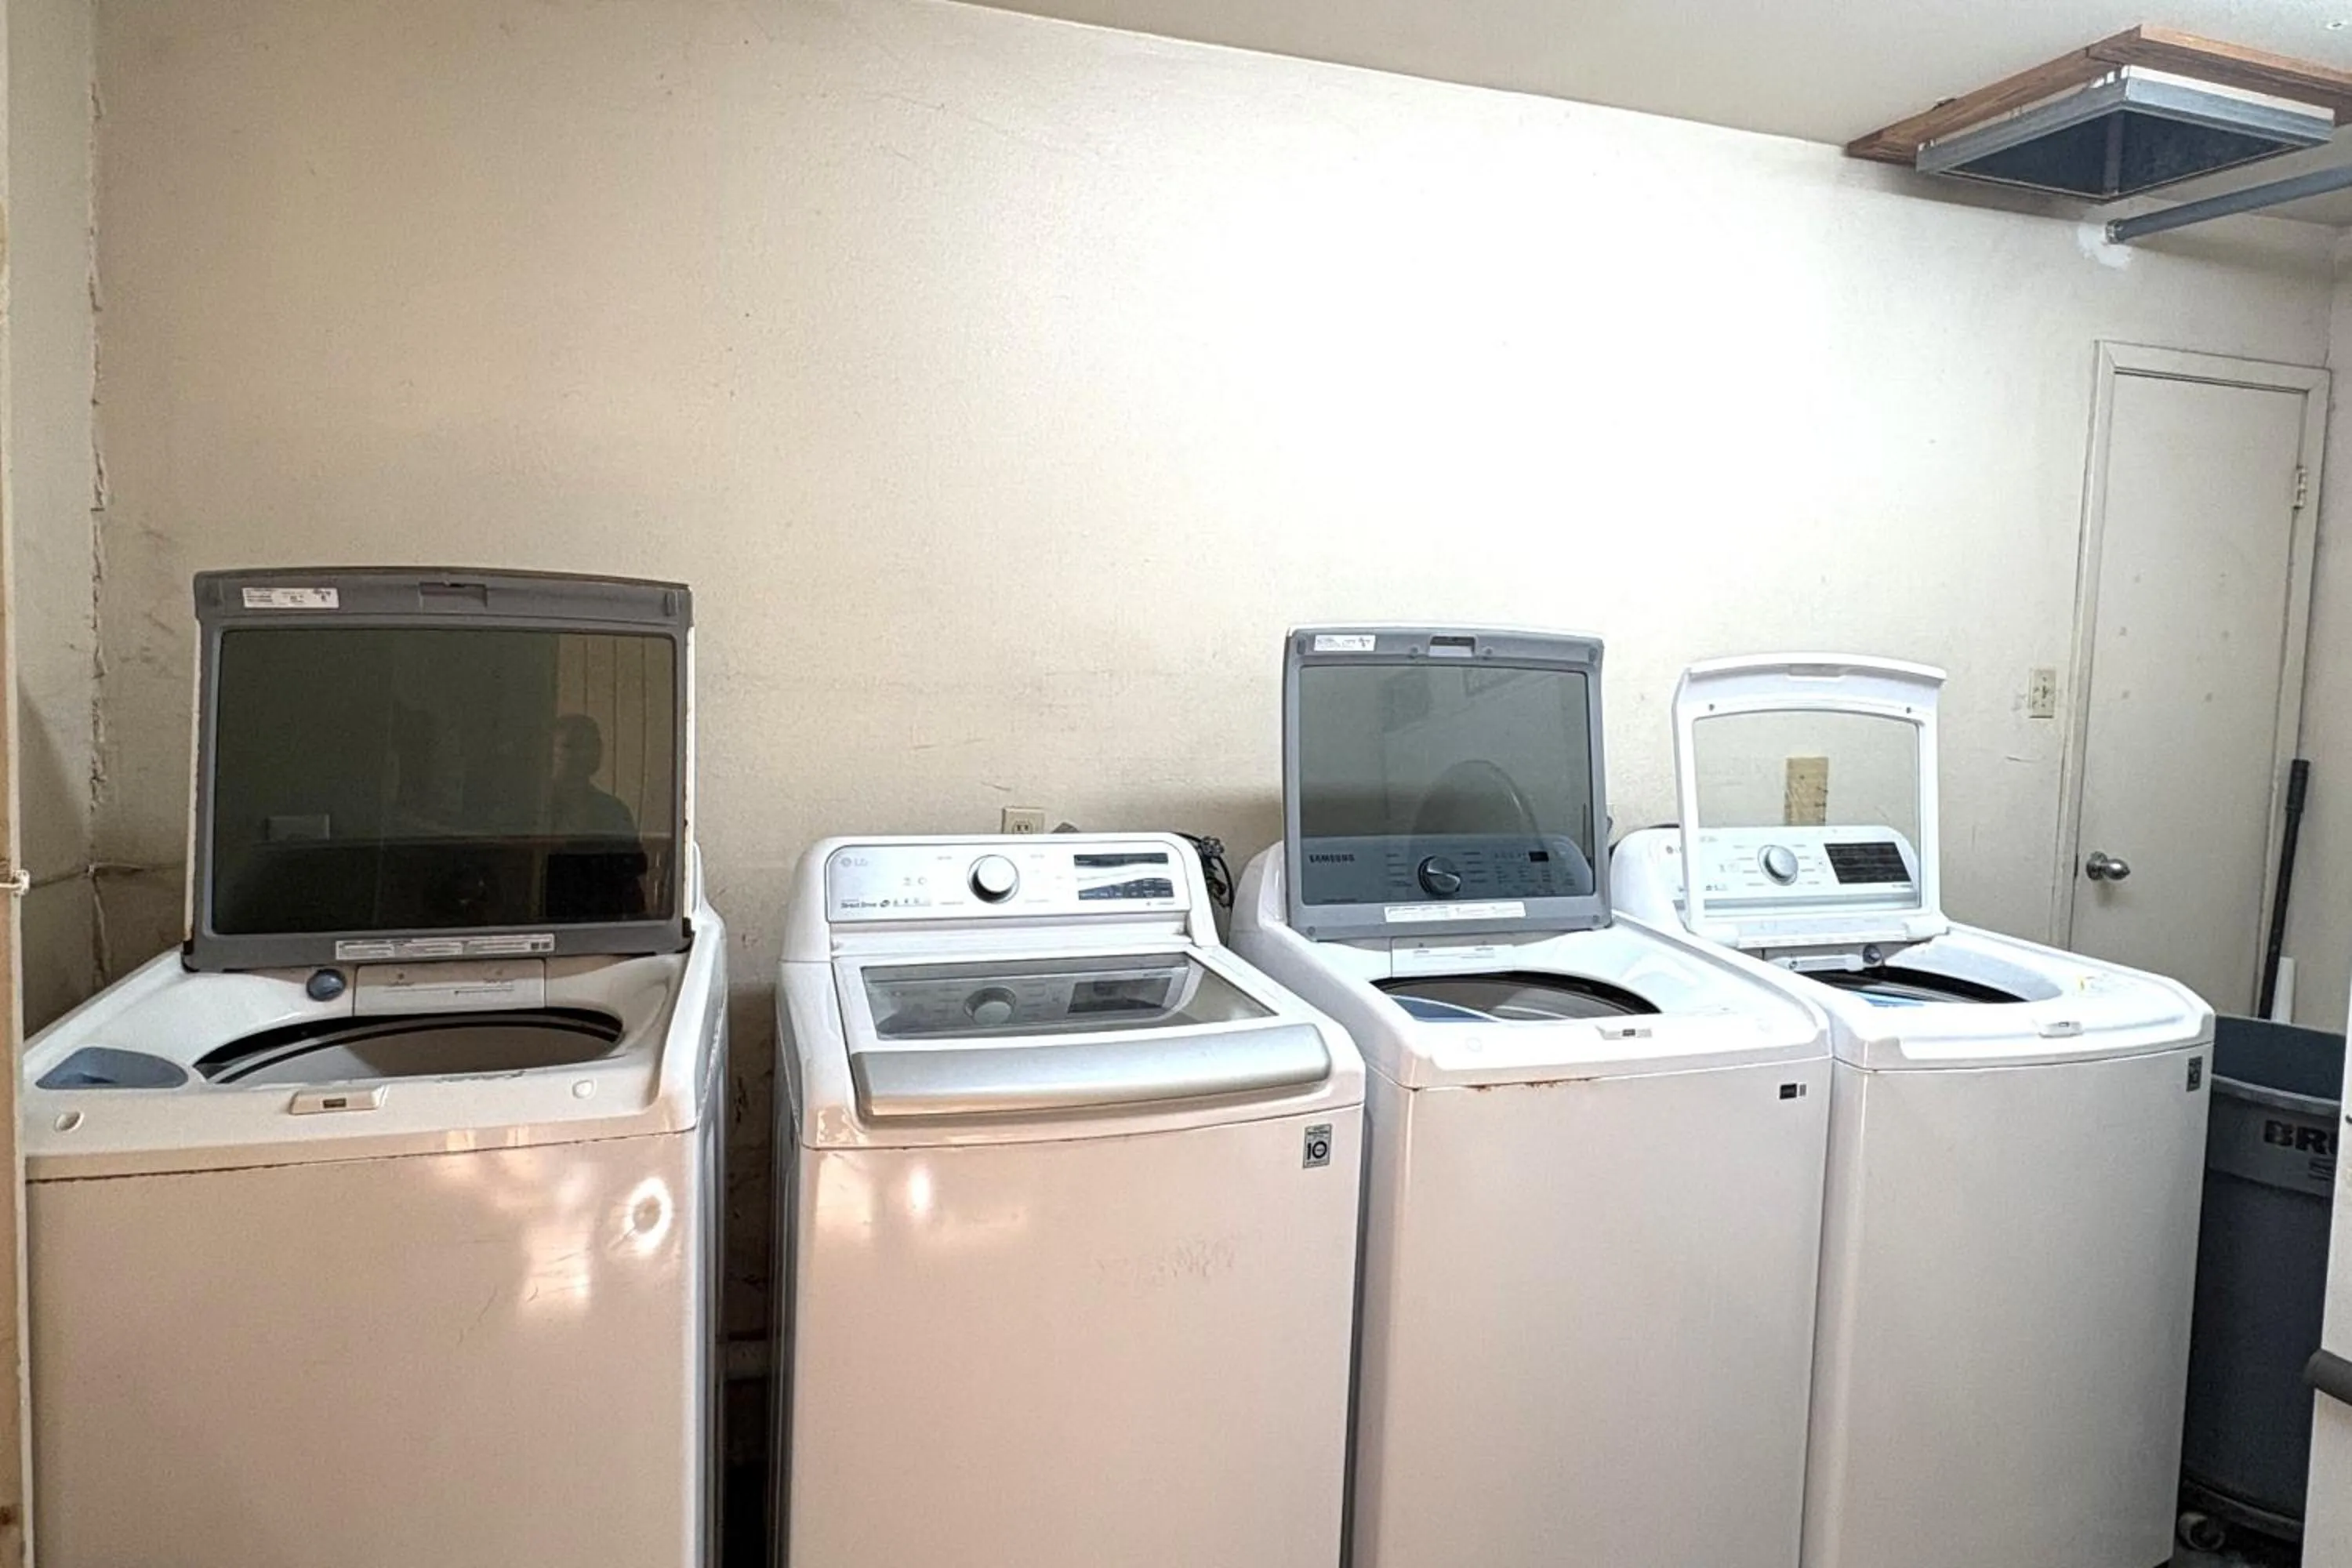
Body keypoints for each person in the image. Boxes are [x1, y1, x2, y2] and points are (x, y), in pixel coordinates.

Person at [548, 713, 637, 838]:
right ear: (548, 752)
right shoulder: (535, 808)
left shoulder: (614, 811)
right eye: (569, 746)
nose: (583, 753)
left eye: (590, 745)